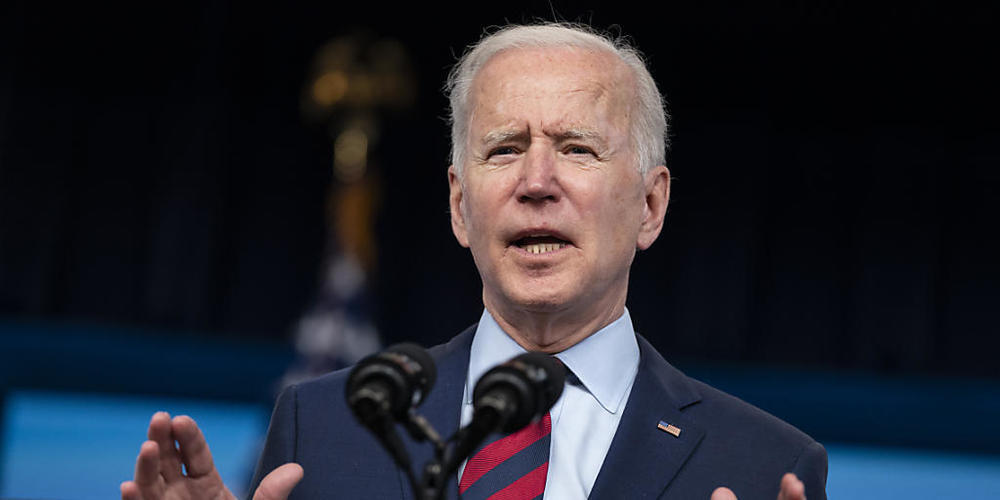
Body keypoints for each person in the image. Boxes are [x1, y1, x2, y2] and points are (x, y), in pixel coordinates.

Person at [122, 23, 827, 500]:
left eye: (577, 148)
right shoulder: (325, 425)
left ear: (650, 205)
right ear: (461, 206)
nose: (537, 181)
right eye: (504, 149)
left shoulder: (762, 466)